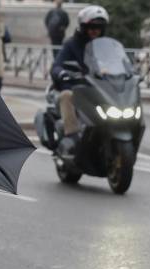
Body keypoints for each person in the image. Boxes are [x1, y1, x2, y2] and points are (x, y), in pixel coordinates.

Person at [50, 5, 109, 157]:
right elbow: (56, 65)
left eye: (99, 27)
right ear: (83, 27)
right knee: (66, 96)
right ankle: (72, 137)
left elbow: (119, 62)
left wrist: (130, 72)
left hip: (98, 89)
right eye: (92, 27)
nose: (95, 30)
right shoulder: (71, 44)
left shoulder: (105, 46)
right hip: (76, 88)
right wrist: (62, 73)